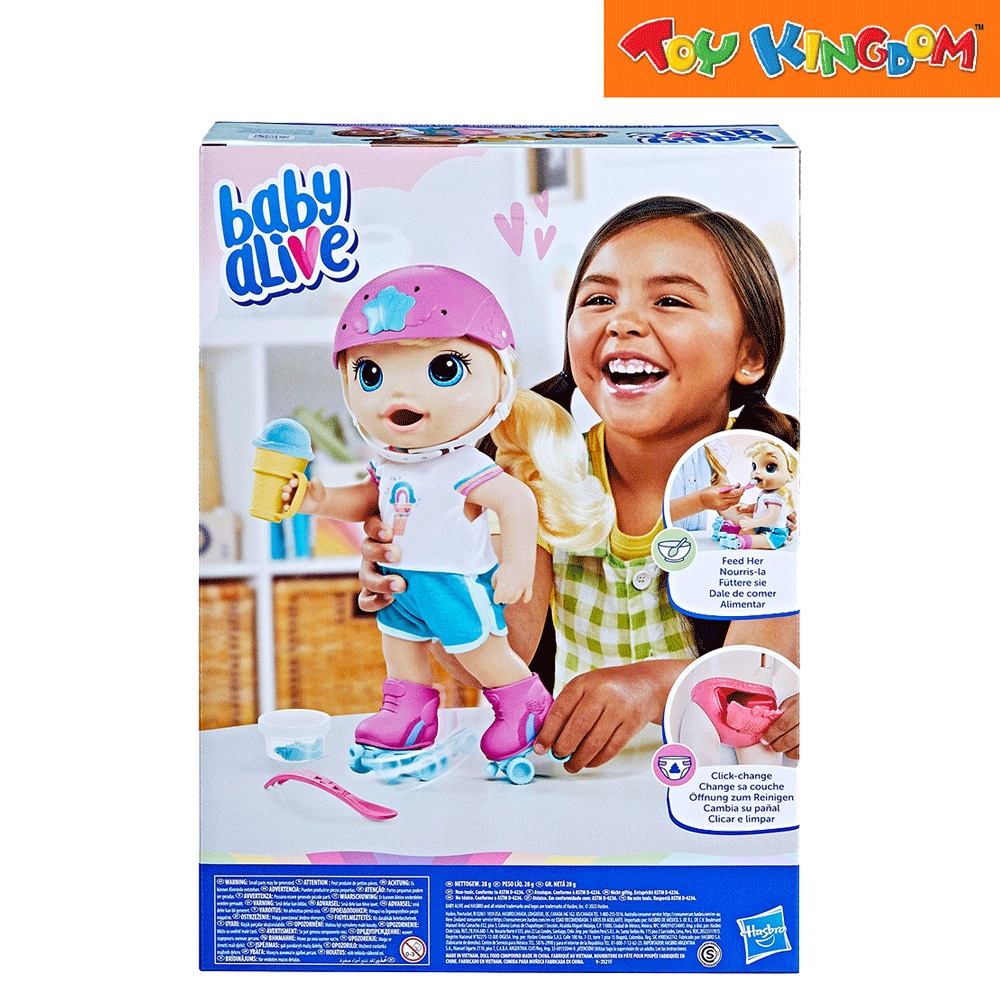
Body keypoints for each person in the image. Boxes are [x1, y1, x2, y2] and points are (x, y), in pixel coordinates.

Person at [359, 197, 801, 771]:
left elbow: (755, 681)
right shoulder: (544, 468)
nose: (622, 322)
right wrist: (428, 579)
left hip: (725, 787)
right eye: (599, 300)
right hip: (576, 785)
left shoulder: (773, 491)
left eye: (669, 300)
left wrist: (650, 686)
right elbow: (496, 656)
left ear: (750, 355)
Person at [281, 264, 614, 782]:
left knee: (479, 647)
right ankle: (408, 710)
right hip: (402, 581)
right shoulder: (391, 463)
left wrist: (516, 568)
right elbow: (367, 499)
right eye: (370, 375)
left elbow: (516, 502)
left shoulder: (463, 466)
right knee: (399, 641)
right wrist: (314, 498)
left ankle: (521, 701)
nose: (399, 396)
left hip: (453, 578)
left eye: (443, 369)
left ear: (499, 378)